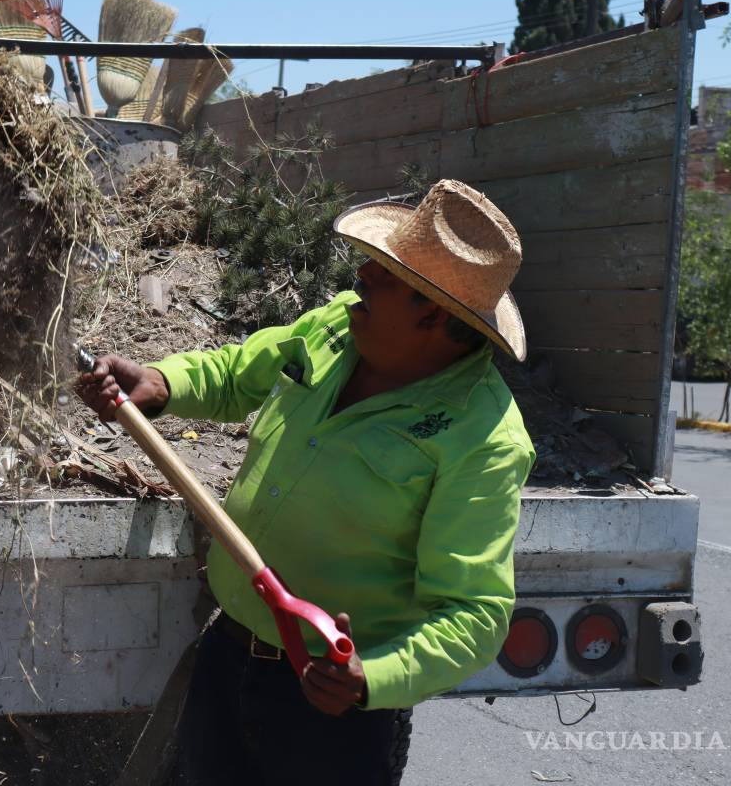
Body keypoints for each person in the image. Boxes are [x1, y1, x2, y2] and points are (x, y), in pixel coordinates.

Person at [77, 180, 536, 784]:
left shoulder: (483, 439)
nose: (360, 279)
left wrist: (370, 679)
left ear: (431, 312)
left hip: (332, 719)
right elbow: (237, 373)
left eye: (384, 274)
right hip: (228, 657)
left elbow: (474, 615)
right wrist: (161, 384)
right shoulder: (338, 329)